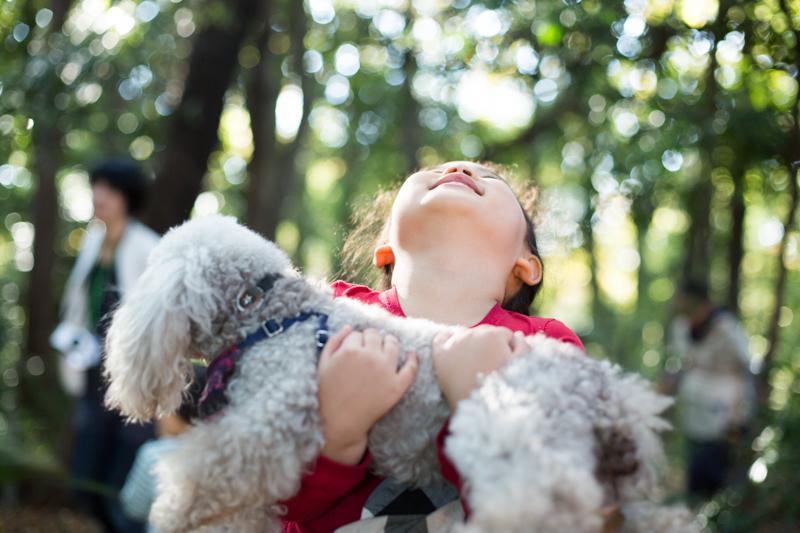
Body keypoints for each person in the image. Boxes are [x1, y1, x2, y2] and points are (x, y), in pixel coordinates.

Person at [279, 161, 586, 532]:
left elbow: (558, 506)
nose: (458, 168)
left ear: (526, 265)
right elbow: (268, 501)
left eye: (489, 178)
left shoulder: (545, 345)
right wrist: (335, 433)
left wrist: (476, 403)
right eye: (436, 169)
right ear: (385, 246)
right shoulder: (328, 313)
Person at [51, 158, 160, 533]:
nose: (100, 196)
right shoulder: (93, 241)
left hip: (135, 385)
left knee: (122, 495)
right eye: (97, 186)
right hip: (93, 381)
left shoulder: (149, 247)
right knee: (84, 483)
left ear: (127, 197)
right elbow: (79, 306)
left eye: (110, 189)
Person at [667, 279, 754, 497]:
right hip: (694, 417)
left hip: (722, 419)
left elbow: (747, 370)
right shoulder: (681, 328)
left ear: (705, 304)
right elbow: (681, 363)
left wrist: (742, 417)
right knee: (696, 470)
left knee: (717, 472)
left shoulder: (727, 331)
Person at [120, 365, 207, 532]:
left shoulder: (154, 454)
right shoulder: (225, 454)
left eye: (161, 407)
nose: (157, 416)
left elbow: (133, 508)